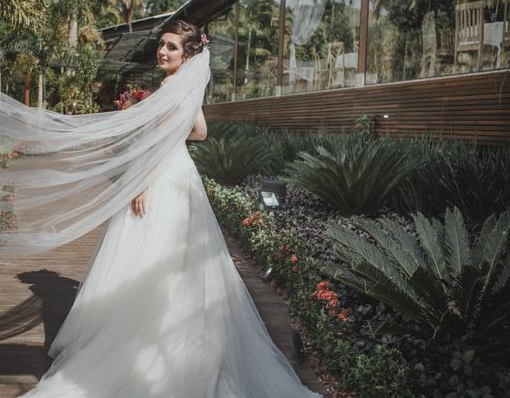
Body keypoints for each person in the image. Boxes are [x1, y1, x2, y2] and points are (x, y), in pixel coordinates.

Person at [18, 21, 321, 398]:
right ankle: (182, 335)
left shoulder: (171, 87)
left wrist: (141, 182)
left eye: (172, 47)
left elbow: (161, 143)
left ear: (189, 54)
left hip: (160, 175)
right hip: (181, 174)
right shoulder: (186, 86)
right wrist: (170, 134)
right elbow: (201, 131)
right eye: (161, 45)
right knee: (180, 261)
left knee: (150, 255)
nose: (162, 51)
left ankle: (147, 343)